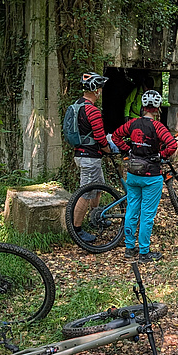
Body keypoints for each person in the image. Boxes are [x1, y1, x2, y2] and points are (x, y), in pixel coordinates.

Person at [112, 90, 177, 263]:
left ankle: (129, 248)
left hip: (133, 173)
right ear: (157, 108)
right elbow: (172, 145)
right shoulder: (158, 127)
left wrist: (128, 150)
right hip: (152, 175)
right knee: (147, 214)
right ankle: (144, 251)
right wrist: (161, 155)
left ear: (143, 106)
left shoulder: (132, 123)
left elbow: (116, 136)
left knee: (132, 210)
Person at [71, 72, 113, 243]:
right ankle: (77, 230)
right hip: (89, 157)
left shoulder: (77, 105)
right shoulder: (92, 110)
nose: (101, 92)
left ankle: (95, 217)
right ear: (96, 90)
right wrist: (109, 149)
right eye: (100, 88)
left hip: (82, 154)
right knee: (85, 194)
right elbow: (100, 138)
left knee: (98, 188)